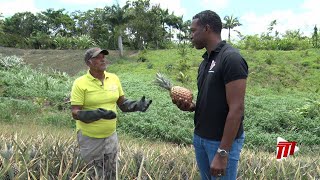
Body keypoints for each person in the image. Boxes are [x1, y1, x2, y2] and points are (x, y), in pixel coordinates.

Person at [172, 10, 248, 180]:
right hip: (200, 138)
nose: (190, 35)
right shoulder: (205, 61)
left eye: (193, 30)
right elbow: (211, 101)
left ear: (206, 29)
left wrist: (222, 152)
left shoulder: (231, 58)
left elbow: (237, 109)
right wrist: (191, 106)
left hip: (220, 142)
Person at [70, 47, 152, 179]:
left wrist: (136, 105)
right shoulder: (80, 83)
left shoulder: (113, 78)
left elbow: (122, 104)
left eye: (103, 56)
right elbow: (75, 112)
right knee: (94, 174)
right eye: (98, 57)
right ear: (89, 62)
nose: (103, 59)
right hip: (90, 139)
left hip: (111, 137)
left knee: (112, 172)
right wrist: (97, 114)